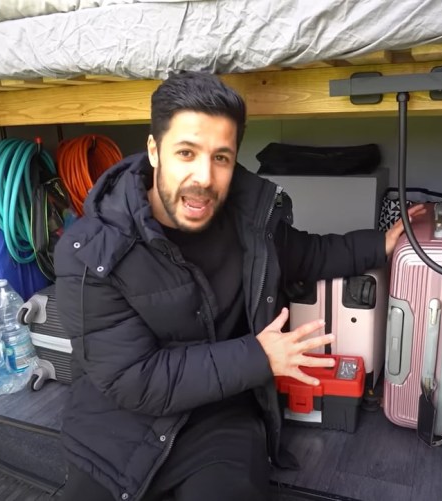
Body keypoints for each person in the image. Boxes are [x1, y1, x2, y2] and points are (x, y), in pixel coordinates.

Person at [53, 71, 420, 501]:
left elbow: (311, 253)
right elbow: (135, 380)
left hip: (220, 415)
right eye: (186, 153)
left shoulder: (251, 223)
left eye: (221, 158)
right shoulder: (90, 252)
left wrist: (381, 242)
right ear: (154, 150)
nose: (204, 178)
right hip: (118, 425)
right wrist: (259, 356)